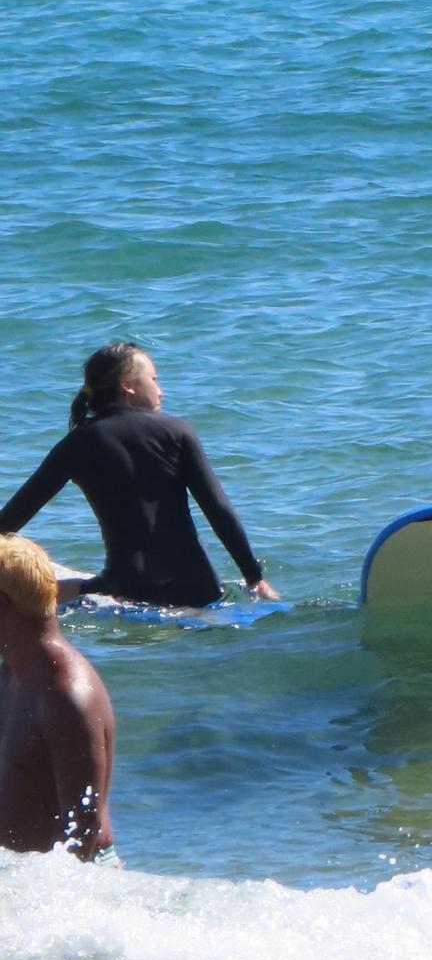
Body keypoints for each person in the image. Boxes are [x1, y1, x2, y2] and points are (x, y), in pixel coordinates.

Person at [0, 344, 279, 611]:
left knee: (73, 591)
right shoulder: (177, 431)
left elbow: (11, 520)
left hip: (127, 591)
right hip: (198, 592)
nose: (161, 390)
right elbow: (218, 510)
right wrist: (254, 577)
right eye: (154, 379)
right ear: (129, 385)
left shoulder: (77, 444)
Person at [0, 535, 115, 859]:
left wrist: (35, 888)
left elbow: (83, 824)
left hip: (75, 875)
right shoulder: (11, 674)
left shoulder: (65, 693)